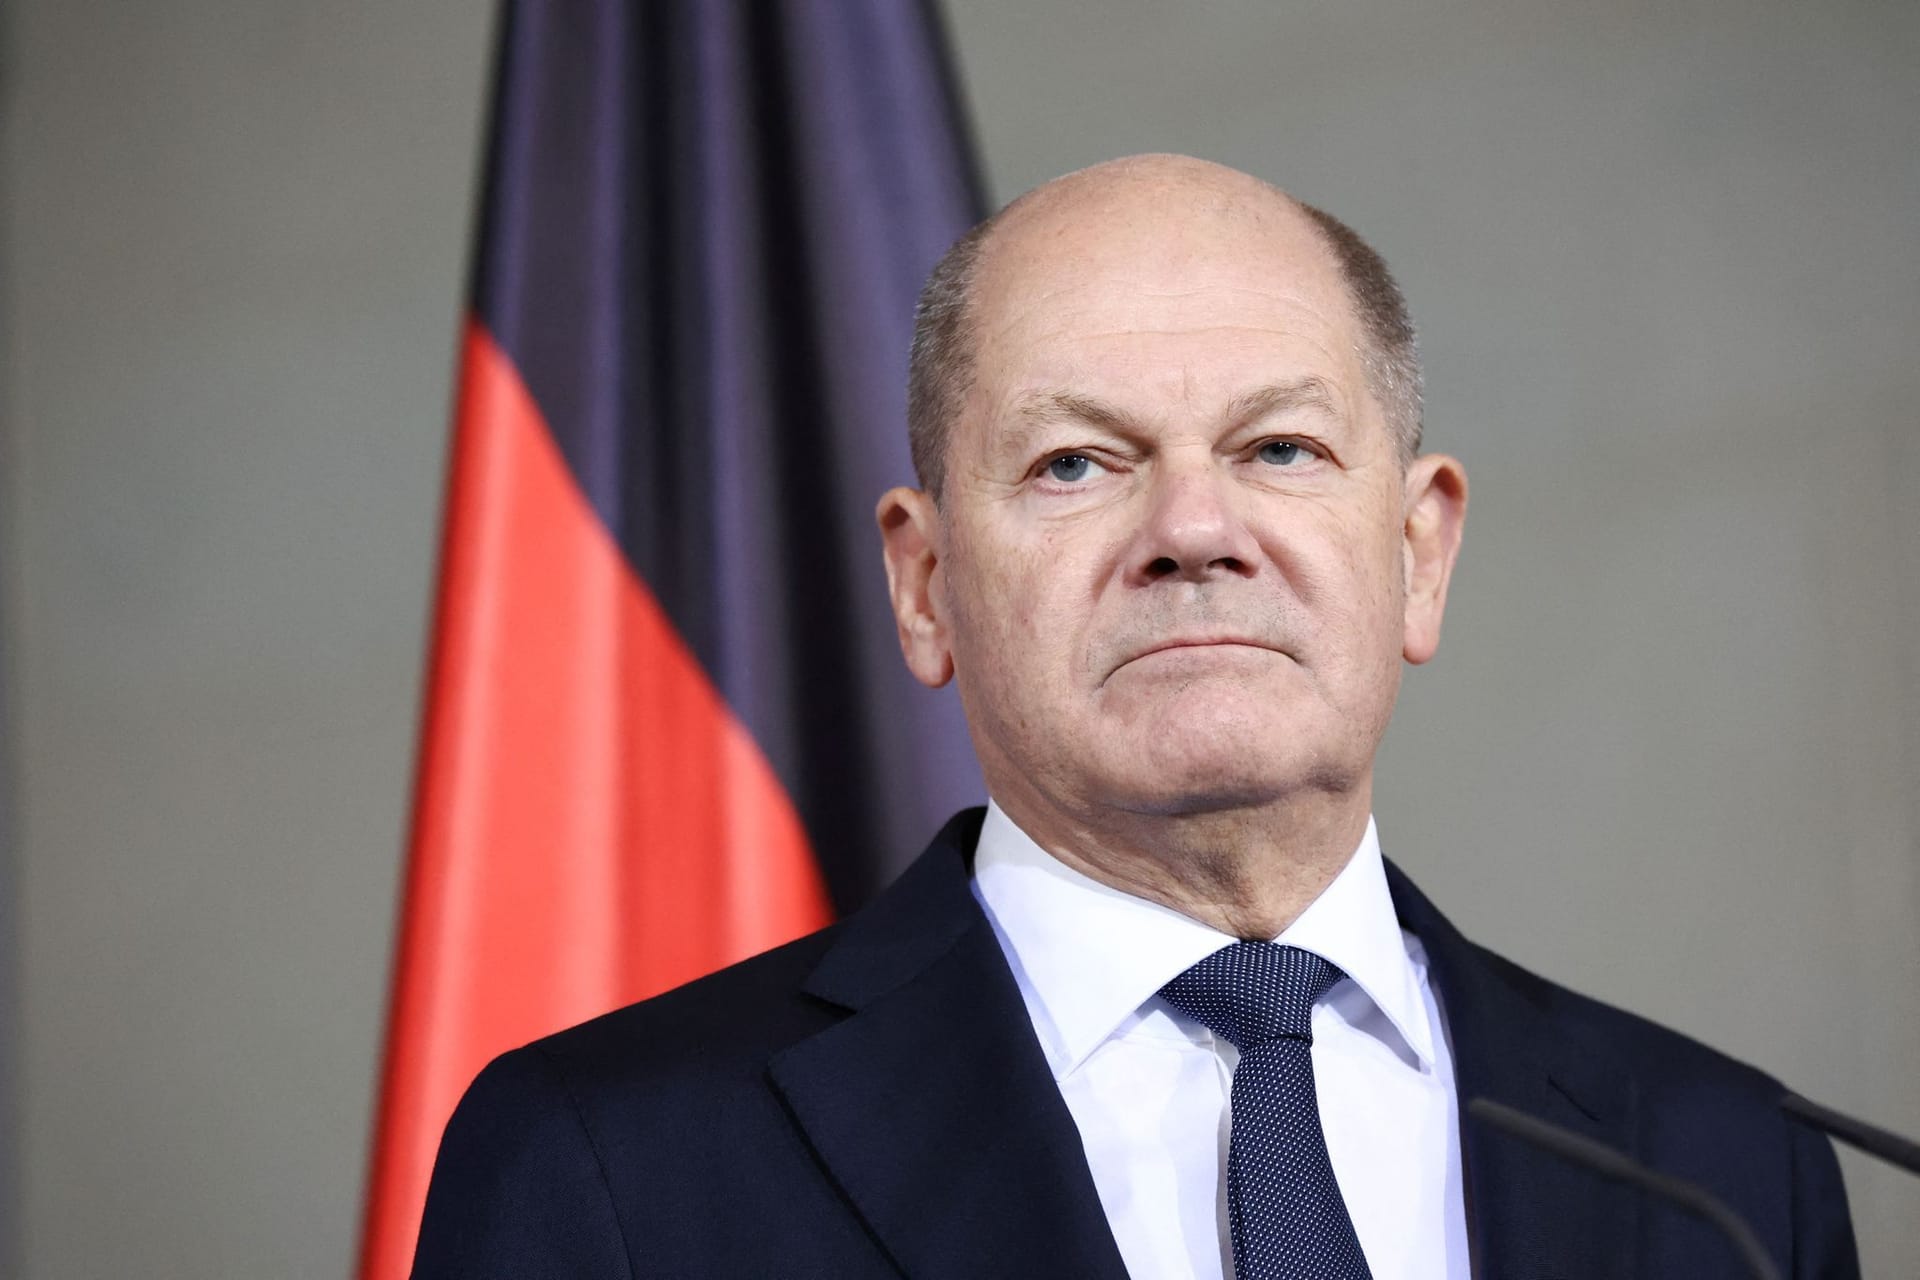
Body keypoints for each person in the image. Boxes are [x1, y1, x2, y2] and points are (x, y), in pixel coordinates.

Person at [410, 155, 1858, 1279]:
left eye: (1279, 447)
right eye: (1075, 465)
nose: (1194, 527)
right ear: (924, 584)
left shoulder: (1726, 1170)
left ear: (1418, 554)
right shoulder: (613, 1161)